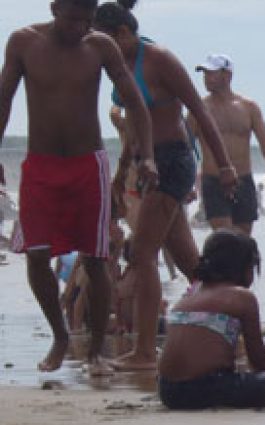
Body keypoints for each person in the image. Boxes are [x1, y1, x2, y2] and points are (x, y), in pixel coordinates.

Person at [0, 0, 157, 375]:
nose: (79, 29)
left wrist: (146, 155)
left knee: (96, 257)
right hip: (40, 164)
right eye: (72, 19)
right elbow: (3, 100)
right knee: (36, 255)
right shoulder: (24, 42)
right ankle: (60, 336)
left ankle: (96, 351)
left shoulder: (101, 46)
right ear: (54, 9)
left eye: (87, 21)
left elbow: (136, 103)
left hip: (88, 164)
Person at [94, 0, 239, 372]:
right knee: (192, 262)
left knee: (142, 254)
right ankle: (234, 326)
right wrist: (123, 167)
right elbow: (132, 124)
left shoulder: (158, 59)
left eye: (103, 38)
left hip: (174, 161)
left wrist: (223, 165)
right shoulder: (116, 64)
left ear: (123, 34)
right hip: (147, 165)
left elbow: (199, 111)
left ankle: (144, 353)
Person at [157, 230, 265, 409]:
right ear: (246, 268)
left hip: (167, 391)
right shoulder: (242, 298)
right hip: (205, 388)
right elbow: (260, 361)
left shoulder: (187, 298)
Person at [189, 53, 265, 236]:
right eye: (204, 74)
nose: (206, 78)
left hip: (243, 180)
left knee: (243, 241)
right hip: (214, 181)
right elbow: (185, 145)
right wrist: (188, 183)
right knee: (225, 239)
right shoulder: (199, 109)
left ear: (227, 75)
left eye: (211, 73)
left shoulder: (248, 107)